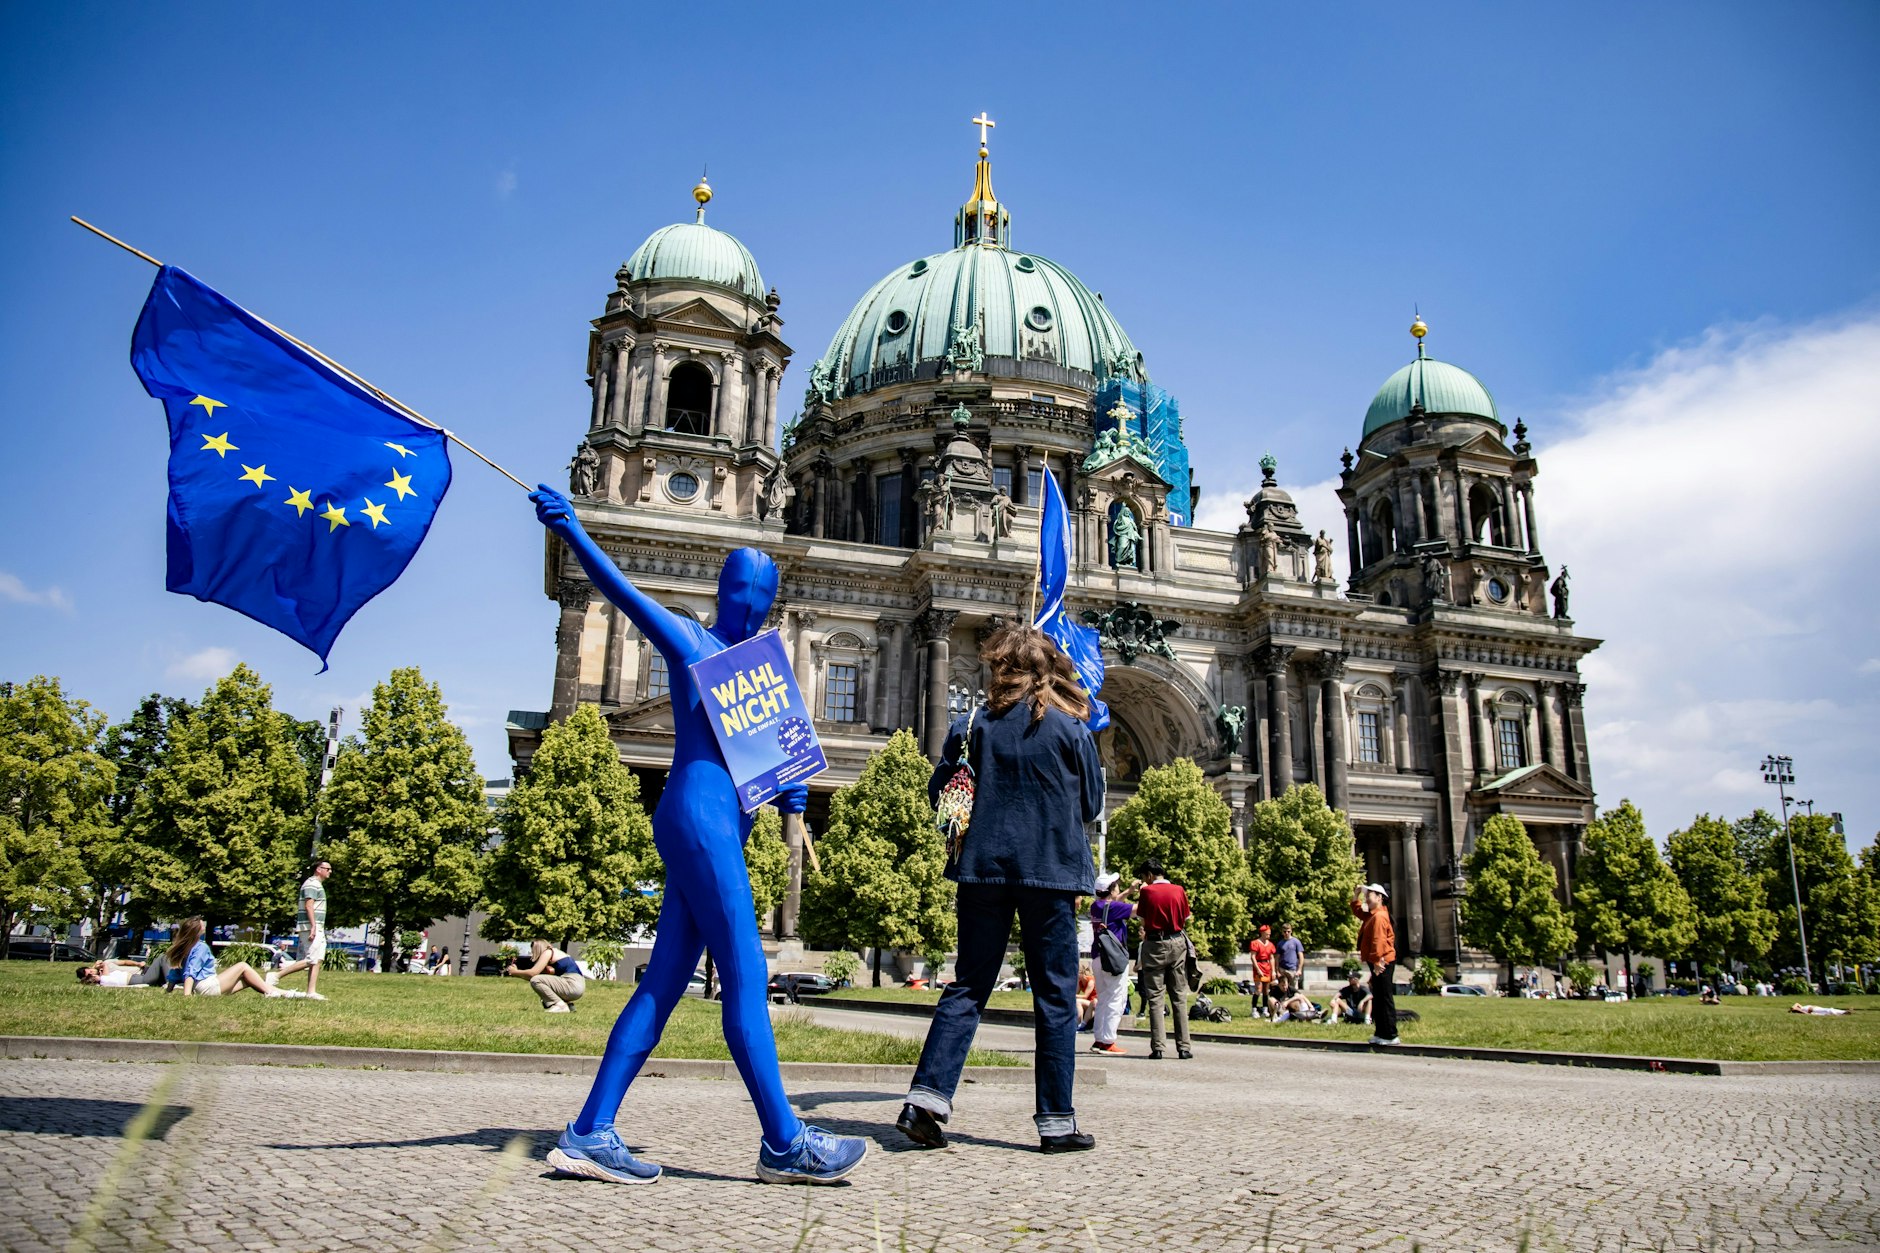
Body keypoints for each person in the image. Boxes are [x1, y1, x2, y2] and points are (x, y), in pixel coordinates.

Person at [530, 484, 865, 1186]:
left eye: (762, 596)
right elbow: (623, 594)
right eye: (741, 590)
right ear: (721, 591)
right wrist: (574, 530)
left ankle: (590, 1131)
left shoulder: (759, 671)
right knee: (746, 973)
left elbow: (761, 759)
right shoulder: (694, 643)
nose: (750, 604)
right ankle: (785, 1141)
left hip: (713, 822)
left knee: (661, 984)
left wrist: (788, 784)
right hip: (701, 821)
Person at [896, 624, 1104, 1155]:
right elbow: (1092, 804)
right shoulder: (1071, 728)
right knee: (1055, 996)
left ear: (999, 668)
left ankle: (924, 1103)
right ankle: (1055, 1123)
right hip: (1050, 873)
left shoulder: (972, 724)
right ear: (1048, 669)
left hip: (982, 869)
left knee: (968, 986)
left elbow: (941, 790)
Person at [1136, 858, 1194, 1061]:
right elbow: (1186, 918)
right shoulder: (1179, 890)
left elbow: (1142, 920)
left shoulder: (1147, 892)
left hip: (1154, 944)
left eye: (1145, 877)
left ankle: (1158, 1048)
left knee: (1155, 997)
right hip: (1177, 941)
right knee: (1179, 996)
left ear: (1150, 875)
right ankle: (1184, 1047)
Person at [165, 918, 284, 998]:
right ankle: (270, 992)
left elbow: (175, 973)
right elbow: (191, 972)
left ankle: (286, 994)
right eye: (202, 924)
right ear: (197, 930)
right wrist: (187, 995)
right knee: (242, 966)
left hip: (200, 989)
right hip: (207, 986)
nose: (204, 925)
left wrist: (168, 991)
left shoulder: (186, 947)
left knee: (249, 980)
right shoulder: (200, 947)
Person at [266, 860, 332, 1001]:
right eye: (328, 869)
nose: (330, 871)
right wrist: (313, 926)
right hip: (310, 926)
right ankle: (275, 976)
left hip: (317, 926)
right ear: (318, 869)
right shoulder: (312, 884)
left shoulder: (316, 884)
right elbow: (309, 906)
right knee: (311, 959)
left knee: (318, 959)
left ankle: (311, 992)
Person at [1088, 871, 1134, 1056]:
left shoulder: (1096, 906)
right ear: (1111, 890)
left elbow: (1113, 905)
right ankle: (1108, 1041)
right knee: (1117, 998)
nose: (1118, 887)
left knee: (1103, 999)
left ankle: (1099, 1039)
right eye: (1116, 885)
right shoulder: (1114, 907)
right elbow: (1138, 910)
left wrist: (1128, 892)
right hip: (1113, 959)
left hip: (1098, 957)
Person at [1352, 884, 1399, 1045]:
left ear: (1379, 898)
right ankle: (1381, 1033)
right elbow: (1357, 911)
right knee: (1378, 998)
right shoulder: (1373, 915)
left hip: (1382, 961)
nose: (1366, 899)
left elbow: (1378, 941)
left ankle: (1391, 1035)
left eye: (1369, 895)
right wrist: (1356, 895)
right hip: (1378, 961)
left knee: (1384, 998)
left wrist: (1378, 961)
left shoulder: (1379, 917)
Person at [509, 940, 586, 1013]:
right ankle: (569, 1006)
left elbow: (533, 974)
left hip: (572, 984)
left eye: (533, 951)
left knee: (536, 980)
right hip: (577, 985)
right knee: (540, 982)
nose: (532, 954)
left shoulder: (548, 952)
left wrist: (515, 972)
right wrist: (519, 974)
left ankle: (559, 1006)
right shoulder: (557, 953)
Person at [1248, 924, 1277, 1014]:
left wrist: (1273, 971)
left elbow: (1271, 958)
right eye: (1267, 934)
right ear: (1262, 933)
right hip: (1259, 965)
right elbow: (1253, 957)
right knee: (1258, 989)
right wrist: (1258, 969)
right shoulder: (1255, 943)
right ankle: (1254, 1009)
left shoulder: (1270, 944)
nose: (1269, 935)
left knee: (1266, 990)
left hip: (1267, 967)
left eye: (1269, 934)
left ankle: (1265, 1009)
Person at [76, 959, 150, 988]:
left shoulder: (107, 962)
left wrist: (138, 963)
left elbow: (124, 962)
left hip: (141, 970)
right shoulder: (102, 979)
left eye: (90, 970)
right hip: (136, 978)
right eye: (89, 974)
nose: (92, 972)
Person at [1276, 923, 1304, 994]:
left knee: (1294, 990)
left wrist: (1299, 969)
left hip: (1293, 969)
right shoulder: (1280, 943)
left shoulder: (1296, 942)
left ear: (1291, 931)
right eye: (1285, 931)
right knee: (1283, 988)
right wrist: (1277, 970)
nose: (1286, 933)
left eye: (1288, 931)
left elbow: (1301, 956)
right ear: (1282, 932)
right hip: (1282, 969)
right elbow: (1277, 958)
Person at [1075, 964, 1097, 1032]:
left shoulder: (1090, 981)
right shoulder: (1080, 982)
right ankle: (1078, 1024)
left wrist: (1072, 995)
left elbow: (1085, 996)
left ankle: (1080, 1024)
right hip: (1088, 1002)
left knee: (1077, 1001)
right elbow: (1076, 993)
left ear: (1081, 973)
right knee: (1075, 1001)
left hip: (1094, 1001)